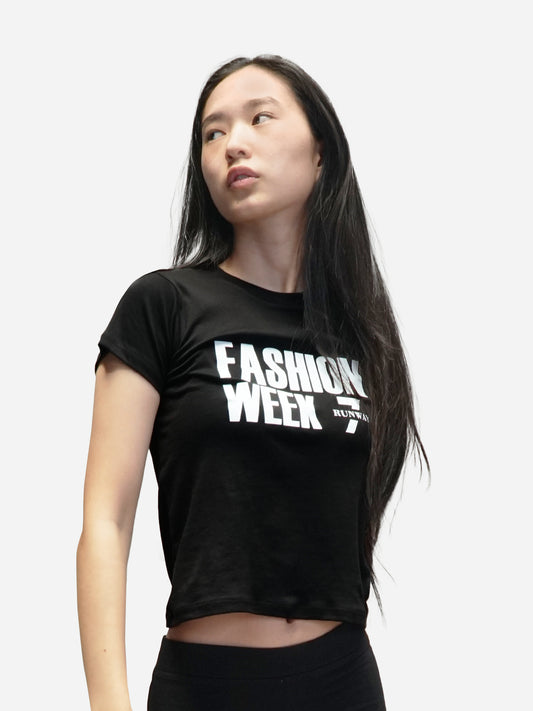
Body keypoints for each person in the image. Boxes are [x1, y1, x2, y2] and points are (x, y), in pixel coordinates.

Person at [76, 54, 429, 711]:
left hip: (341, 679)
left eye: (259, 118)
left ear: (319, 152)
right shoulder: (163, 306)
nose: (232, 143)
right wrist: (107, 702)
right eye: (212, 133)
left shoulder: (358, 334)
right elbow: (106, 520)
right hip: (206, 684)